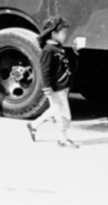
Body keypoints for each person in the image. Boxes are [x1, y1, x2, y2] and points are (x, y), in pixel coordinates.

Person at [27, 16, 81, 148]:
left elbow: (71, 67)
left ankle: (33, 125)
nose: (65, 35)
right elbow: (44, 70)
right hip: (56, 88)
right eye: (63, 33)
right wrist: (47, 87)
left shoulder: (58, 47)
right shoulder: (48, 50)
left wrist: (74, 52)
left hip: (63, 86)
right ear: (54, 34)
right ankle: (62, 139)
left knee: (55, 110)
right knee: (64, 114)